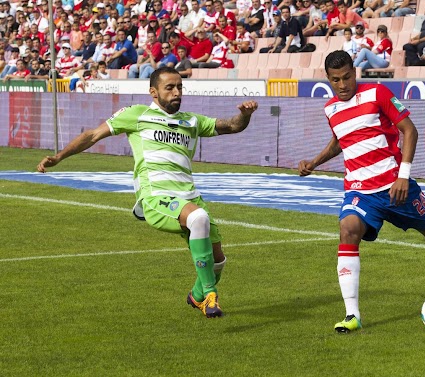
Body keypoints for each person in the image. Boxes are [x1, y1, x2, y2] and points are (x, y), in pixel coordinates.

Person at [37, 67, 259, 319]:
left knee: (218, 259)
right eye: (170, 88)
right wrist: (59, 157)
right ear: (153, 92)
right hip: (156, 196)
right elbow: (92, 135)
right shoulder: (136, 115)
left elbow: (232, 125)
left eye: (179, 87)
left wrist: (245, 115)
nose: (177, 92)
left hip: (190, 197)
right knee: (199, 219)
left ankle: (196, 296)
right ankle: (210, 295)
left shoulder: (191, 121)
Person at [298, 50, 425, 333]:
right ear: (328, 80)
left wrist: (402, 177)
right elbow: (341, 141)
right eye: (335, 80)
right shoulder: (330, 109)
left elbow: (410, 130)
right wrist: (314, 162)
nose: (342, 85)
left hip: (396, 188)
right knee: (348, 230)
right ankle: (352, 315)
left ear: (355, 73)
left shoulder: (378, 93)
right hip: (360, 190)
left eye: (346, 77)